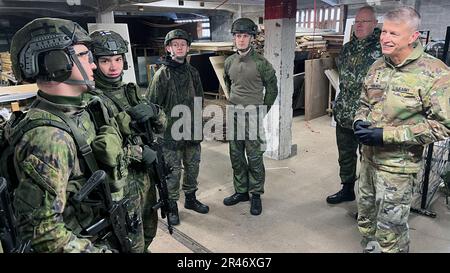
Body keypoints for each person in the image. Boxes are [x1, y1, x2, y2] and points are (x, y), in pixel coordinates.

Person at [7, 18, 125, 252]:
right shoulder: (49, 137)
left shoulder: (84, 109)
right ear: (55, 62)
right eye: (83, 56)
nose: (92, 65)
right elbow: (45, 234)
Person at [353, 6, 450, 253]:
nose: (385, 38)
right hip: (368, 161)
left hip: (398, 167)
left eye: (394, 33)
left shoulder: (434, 73)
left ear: (413, 37)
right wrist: (359, 120)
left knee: (391, 231)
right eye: (384, 31)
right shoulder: (378, 65)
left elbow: (443, 125)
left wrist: (386, 135)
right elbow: (364, 102)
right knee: (366, 220)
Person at [88, 30, 165, 252]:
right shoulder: (92, 102)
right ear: (95, 63)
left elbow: (161, 125)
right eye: (105, 60)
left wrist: (154, 111)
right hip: (120, 184)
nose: (113, 67)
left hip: (145, 178)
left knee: (148, 230)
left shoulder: (130, 92)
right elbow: (97, 149)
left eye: (118, 59)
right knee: (129, 240)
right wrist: (137, 153)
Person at [147, 29, 209, 226]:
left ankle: (190, 199)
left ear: (188, 48)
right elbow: (152, 105)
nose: (180, 47)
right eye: (175, 44)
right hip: (170, 133)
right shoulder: (161, 75)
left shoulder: (193, 73)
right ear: (168, 48)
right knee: (172, 172)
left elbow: (199, 100)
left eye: (183, 44)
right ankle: (172, 206)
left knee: (192, 167)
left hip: (191, 131)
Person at [326, 6, 382, 204]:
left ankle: (368, 202)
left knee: (367, 160)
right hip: (344, 113)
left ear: (374, 24)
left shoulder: (382, 49)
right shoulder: (349, 48)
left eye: (364, 21)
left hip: (367, 117)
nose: (359, 25)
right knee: (345, 156)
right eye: (357, 21)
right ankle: (347, 189)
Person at [222, 18, 277, 216]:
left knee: (254, 157)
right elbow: (229, 84)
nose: (241, 40)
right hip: (234, 112)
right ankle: (241, 191)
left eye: (245, 36)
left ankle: (255, 195)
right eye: (238, 36)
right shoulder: (229, 62)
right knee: (236, 155)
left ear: (252, 38)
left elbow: (272, 89)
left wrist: (263, 110)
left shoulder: (262, 63)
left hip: (253, 114)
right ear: (234, 38)